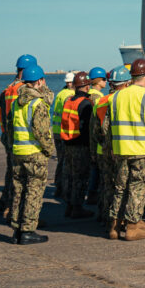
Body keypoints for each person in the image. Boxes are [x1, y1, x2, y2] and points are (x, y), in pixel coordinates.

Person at [103, 58, 145, 241]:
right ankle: (132, 227)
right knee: (138, 188)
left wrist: (112, 148)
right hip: (143, 151)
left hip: (121, 150)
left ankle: (114, 226)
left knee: (120, 188)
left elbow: (107, 128)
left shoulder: (114, 97)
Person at [8, 62, 55, 244]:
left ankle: (17, 229)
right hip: (34, 153)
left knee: (19, 191)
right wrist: (48, 149)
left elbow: (10, 131)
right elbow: (41, 132)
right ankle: (28, 230)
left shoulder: (15, 104)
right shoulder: (38, 104)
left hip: (18, 152)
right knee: (34, 192)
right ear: (40, 81)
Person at [0, 54, 36, 216]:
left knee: (12, 171)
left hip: (7, 135)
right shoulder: (23, 90)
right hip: (21, 137)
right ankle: (13, 209)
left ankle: (5, 202)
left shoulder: (7, 90)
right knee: (22, 176)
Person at [91, 67, 129, 233]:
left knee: (107, 185)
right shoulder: (124, 101)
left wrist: (95, 151)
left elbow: (95, 131)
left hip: (102, 150)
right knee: (121, 187)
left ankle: (105, 217)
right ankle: (120, 220)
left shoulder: (101, 102)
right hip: (121, 149)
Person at [60, 71, 95, 219]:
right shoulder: (86, 104)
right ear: (87, 87)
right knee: (81, 177)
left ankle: (69, 205)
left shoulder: (68, 101)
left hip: (68, 144)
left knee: (70, 175)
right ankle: (77, 207)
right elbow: (88, 128)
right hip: (81, 145)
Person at [51, 71, 76, 200]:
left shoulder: (61, 93)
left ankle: (58, 187)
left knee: (61, 161)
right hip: (63, 132)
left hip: (56, 131)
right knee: (66, 163)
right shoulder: (70, 95)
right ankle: (64, 189)